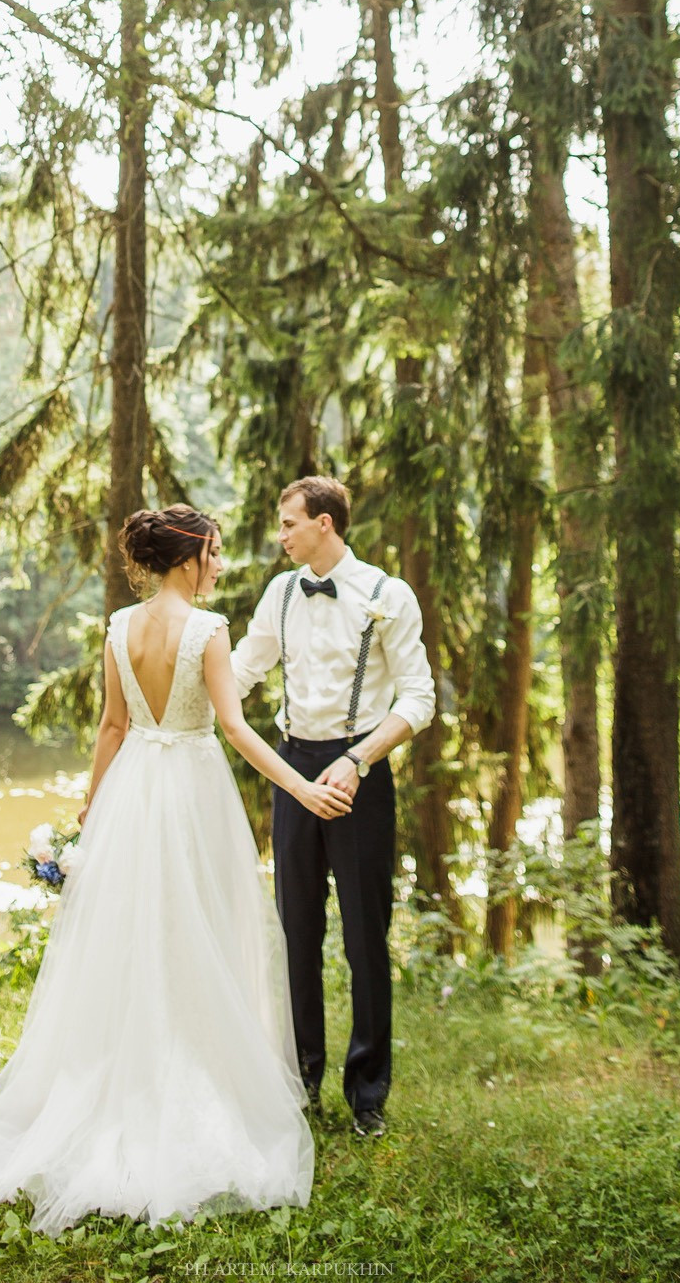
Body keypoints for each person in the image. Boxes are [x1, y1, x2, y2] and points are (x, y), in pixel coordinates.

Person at [0, 505, 352, 1232]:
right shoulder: (209, 631)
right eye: (214, 553)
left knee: (130, 938)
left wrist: (92, 811)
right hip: (191, 792)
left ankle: (124, 1076)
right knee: (200, 933)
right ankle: (188, 1082)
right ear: (188, 559)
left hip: (133, 790)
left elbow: (112, 727)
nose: (219, 564)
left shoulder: (120, 627)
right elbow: (234, 728)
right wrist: (302, 789)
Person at [230, 476, 436, 1139]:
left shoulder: (387, 594)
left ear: (325, 523)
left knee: (365, 935)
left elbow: (419, 698)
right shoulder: (280, 593)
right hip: (292, 769)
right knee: (297, 930)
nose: (281, 536)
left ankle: (367, 1093)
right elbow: (241, 669)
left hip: (359, 774)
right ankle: (300, 1081)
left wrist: (358, 759)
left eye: (289, 523)